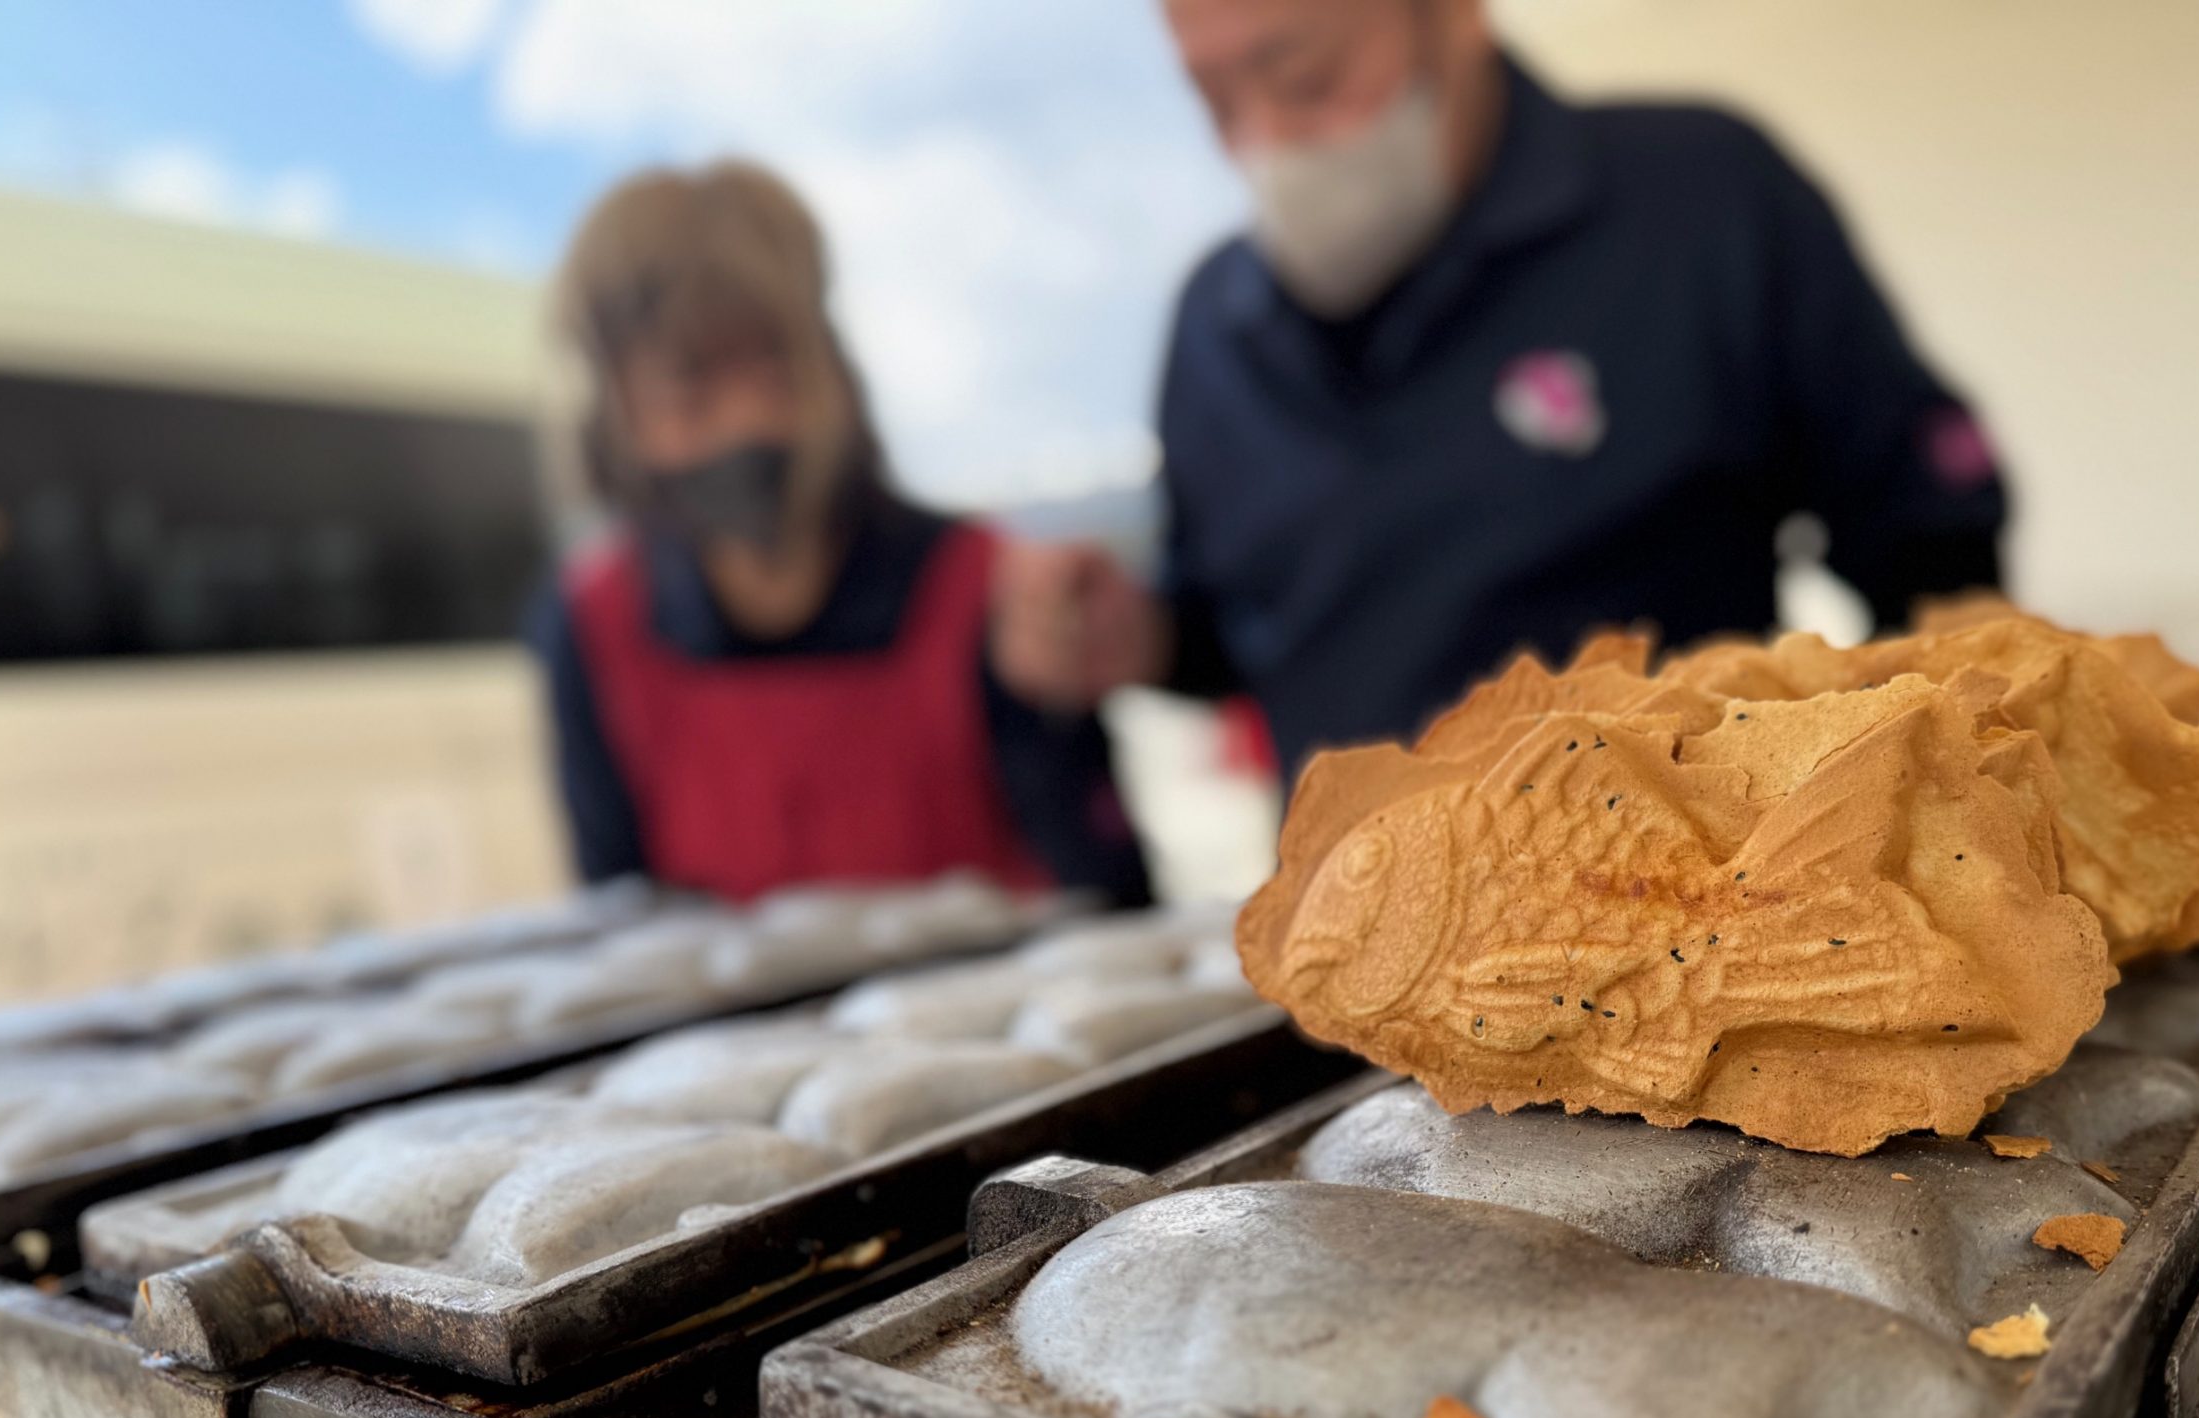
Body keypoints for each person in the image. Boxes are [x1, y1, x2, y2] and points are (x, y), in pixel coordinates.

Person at [993, 0, 2010, 773]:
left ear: (1455, 16)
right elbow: (1235, 624)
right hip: (1363, 960)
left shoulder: (1702, 198)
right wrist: (1139, 636)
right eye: (1212, 100)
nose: (1263, 139)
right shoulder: (1213, 326)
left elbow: (1929, 541)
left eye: (1301, 76)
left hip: (1684, 927)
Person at [529, 162, 1148, 905]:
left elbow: (1107, 901)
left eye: (774, 373)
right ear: (617, 410)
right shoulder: (595, 628)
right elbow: (619, 922)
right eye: (689, 391)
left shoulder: (987, 589)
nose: (746, 425)